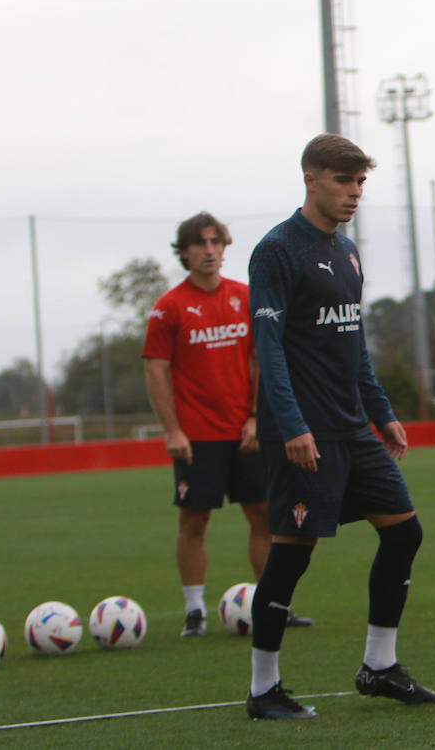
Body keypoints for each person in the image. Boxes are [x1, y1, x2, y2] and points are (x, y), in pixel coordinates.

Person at [243, 134, 435, 720]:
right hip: (304, 432)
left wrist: (381, 413)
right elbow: (268, 348)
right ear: (311, 179)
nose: (353, 193)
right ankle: (263, 690)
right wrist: (291, 423)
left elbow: (353, 344)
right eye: (342, 181)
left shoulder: (349, 251)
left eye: (360, 183)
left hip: (353, 428)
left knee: (405, 533)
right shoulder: (276, 251)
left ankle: (379, 667)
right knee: (292, 554)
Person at [142, 212, 313, 637]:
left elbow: (266, 360)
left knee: (262, 515)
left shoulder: (247, 296)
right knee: (195, 521)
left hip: (248, 433)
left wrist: (257, 417)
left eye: (217, 242)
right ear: (184, 252)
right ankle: (195, 611)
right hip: (197, 436)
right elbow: (155, 372)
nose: (210, 251)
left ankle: (273, 604)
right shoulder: (169, 308)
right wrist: (172, 430)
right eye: (200, 244)